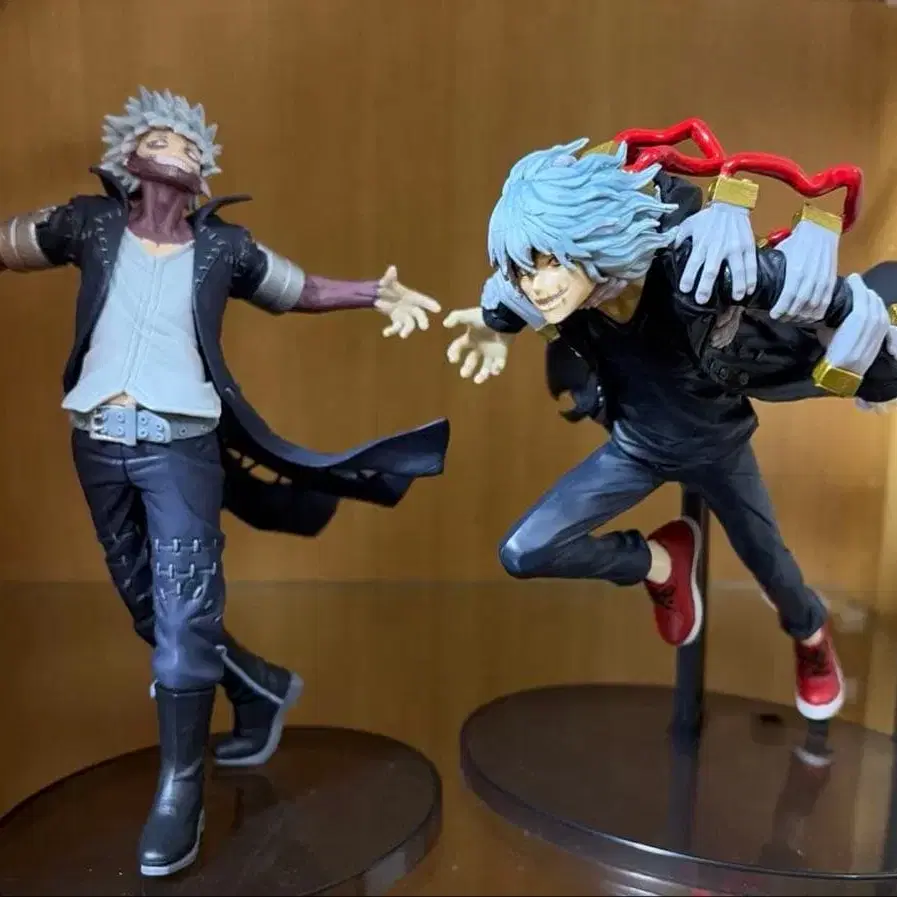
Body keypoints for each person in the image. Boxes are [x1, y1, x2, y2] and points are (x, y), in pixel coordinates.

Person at [0, 87, 449, 878]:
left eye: (187, 142)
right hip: (96, 442)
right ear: (129, 156)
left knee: (184, 613)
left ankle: (181, 787)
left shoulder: (224, 249)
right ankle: (260, 687)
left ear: (203, 168)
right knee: (148, 607)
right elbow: (11, 242)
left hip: (179, 449)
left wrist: (373, 292)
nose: (172, 149)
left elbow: (300, 290)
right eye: (158, 138)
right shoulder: (88, 224)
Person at [443, 136, 897, 727]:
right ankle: (660, 562)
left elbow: (813, 290)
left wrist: (861, 321)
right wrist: (490, 327)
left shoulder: (694, 273)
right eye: (526, 269)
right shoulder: (543, 297)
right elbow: (505, 301)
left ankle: (811, 637)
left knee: (776, 571)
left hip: (719, 448)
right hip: (634, 451)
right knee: (524, 551)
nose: (539, 285)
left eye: (551, 262)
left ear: (594, 235)